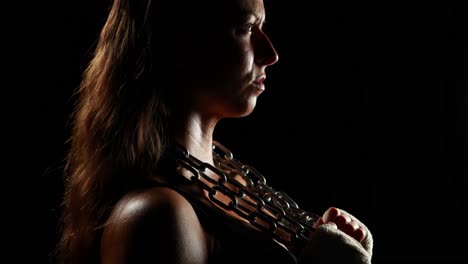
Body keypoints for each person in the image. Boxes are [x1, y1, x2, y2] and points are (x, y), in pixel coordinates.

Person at [54, 0, 374, 263]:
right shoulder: (159, 215)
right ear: (180, 42)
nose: (270, 54)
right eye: (246, 29)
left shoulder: (228, 181)